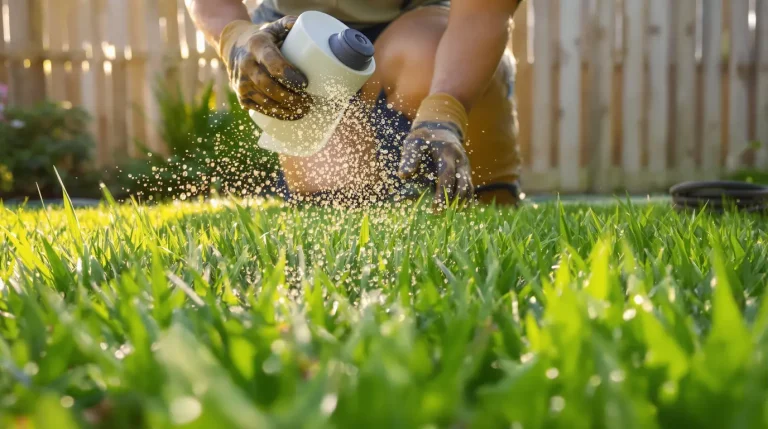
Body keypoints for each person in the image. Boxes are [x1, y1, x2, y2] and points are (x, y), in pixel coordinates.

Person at [187, 0, 522, 208]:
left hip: (424, 26)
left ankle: (489, 180)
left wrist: (446, 111)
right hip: (299, 36)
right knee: (336, 201)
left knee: (427, 58)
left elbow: (485, 10)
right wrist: (236, 39)